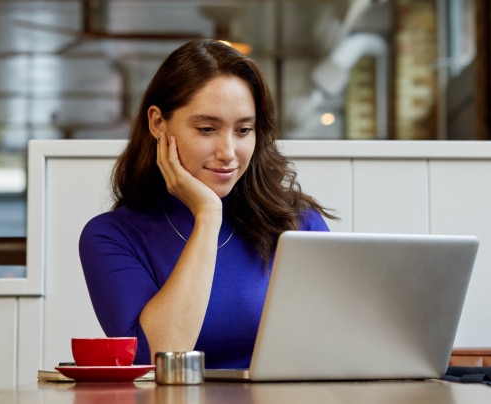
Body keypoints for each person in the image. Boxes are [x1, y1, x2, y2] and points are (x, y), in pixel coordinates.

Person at [79, 39, 336, 369]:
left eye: (244, 130)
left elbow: (337, 345)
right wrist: (208, 215)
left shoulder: (297, 224)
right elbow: (155, 358)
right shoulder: (111, 236)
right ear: (158, 123)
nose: (228, 151)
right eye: (206, 129)